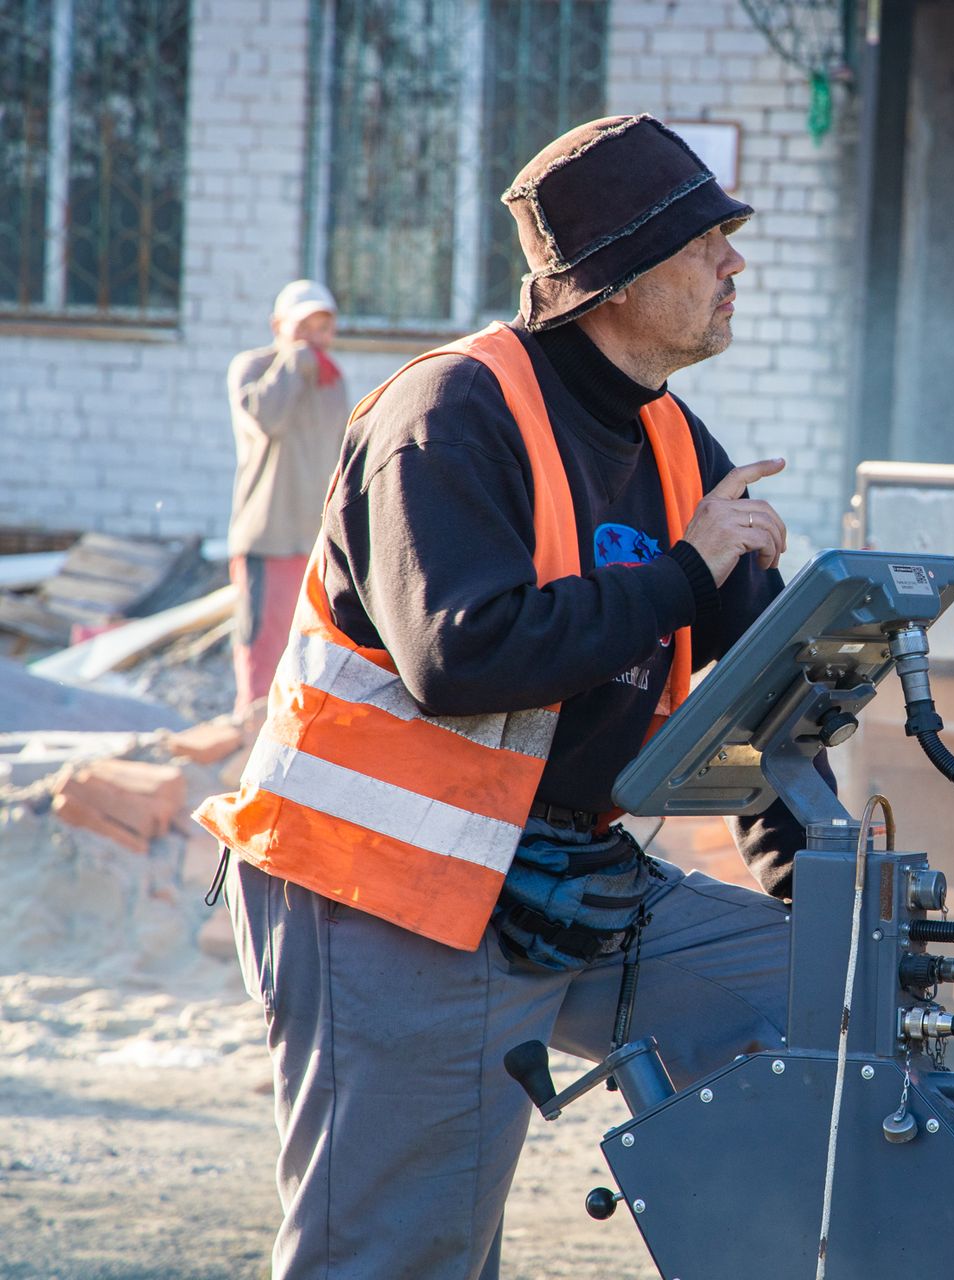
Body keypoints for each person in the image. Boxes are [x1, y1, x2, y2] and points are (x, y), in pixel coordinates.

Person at [195, 115, 821, 1279]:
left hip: (557, 872)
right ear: (618, 279)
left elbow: (761, 683)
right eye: (706, 243)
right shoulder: (450, 414)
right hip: (386, 884)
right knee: (403, 1257)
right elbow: (460, 654)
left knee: (809, 1001)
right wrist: (679, 575)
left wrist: (813, 886)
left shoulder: (670, 436)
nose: (734, 262)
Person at [225, 279, 351, 715]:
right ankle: (249, 732)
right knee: (263, 652)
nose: (315, 338)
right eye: (304, 326)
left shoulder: (331, 378)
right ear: (277, 325)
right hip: (270, 537)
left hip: (317, 540)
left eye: (323, 327)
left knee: (311, 655)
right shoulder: (254, 368)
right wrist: (294, 362)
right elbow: (266, 419)